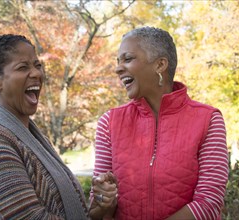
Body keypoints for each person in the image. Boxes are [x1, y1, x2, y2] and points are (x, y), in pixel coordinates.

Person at [89, 27, 229, 220]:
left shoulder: (208, 119)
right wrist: (104, 201)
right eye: (118, 61)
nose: (118, 68)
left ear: (160, 64)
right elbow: (95, 212)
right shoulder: (109, 123)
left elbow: (209, 204)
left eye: (128, 59)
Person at [0, 34, 88, 220]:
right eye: (23, 67)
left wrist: (99, 208)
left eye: (37, 65)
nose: (37, 74)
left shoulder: (32, 137)